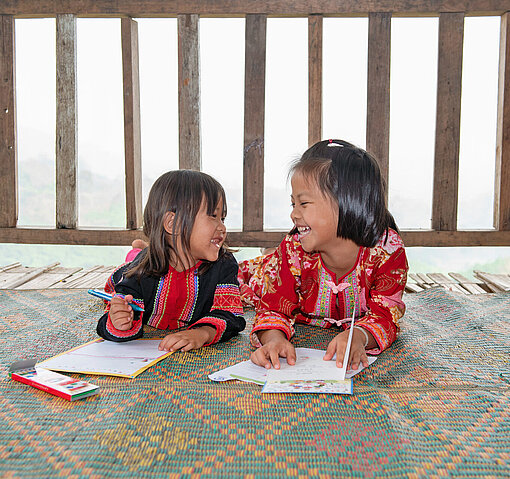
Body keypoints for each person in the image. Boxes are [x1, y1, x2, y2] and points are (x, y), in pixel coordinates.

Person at [241, 139, 408, 370]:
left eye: (304, 203)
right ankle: (266, 257)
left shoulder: (386, 251)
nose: (294, 215)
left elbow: (387, 313)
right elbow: (274, 307)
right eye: (293, 204)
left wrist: (358, 335)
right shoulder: (293, 250)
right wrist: (274, 339)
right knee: (246, 276)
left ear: (348, 203)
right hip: (271, 270)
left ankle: (268, 255)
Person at [96, 170, 245, 352]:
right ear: (172, 223)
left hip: (157, 253)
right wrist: (120, 321)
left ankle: (139, 248)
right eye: (213, 216)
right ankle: (137, 251)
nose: (222, 227)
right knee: (130, 264)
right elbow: (112, 320)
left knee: (141, 253)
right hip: (136, 264)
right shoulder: (139, 274)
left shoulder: (224, 265)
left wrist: (203, 333)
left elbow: (232, 315)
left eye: (222, 218)